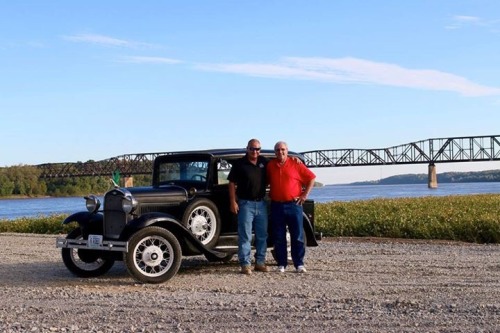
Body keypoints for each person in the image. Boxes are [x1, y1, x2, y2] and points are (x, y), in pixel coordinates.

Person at [267, 141, 316, 273]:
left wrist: (304, 195)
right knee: (279, 236)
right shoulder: (270, 165)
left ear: (287, 151)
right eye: (277, 150)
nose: (280, 152)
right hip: (277, 205)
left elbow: (311, 178)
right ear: (274, 152)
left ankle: (299, 264)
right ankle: (281, 264)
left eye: (282, 149)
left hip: (294, 205)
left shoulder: (295, 163)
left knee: (297, 235)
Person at [228, 139, 270, 275]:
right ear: (247, 148)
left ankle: (260, 262)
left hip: (262, 203)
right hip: (245, 204)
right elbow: (231, 183)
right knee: (245, 235)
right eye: (252, 149)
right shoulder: (240, 164)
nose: (255, 152)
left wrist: (295, 161)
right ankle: (245, 264)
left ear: (260, 150)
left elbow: (280, 165)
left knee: (262, 235)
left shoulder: (264, 162)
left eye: (257, 149)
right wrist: (233, 202)